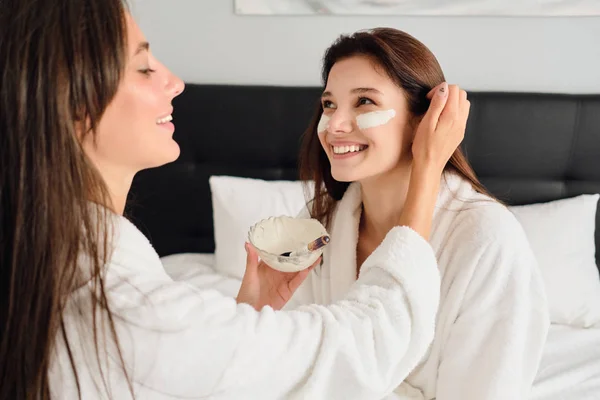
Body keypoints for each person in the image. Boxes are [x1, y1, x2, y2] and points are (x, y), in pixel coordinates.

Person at [0, 1, 469, 399]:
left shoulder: (60, 260)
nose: (175, 82)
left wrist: (248, 311)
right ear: (72, 103)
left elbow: (199, 369)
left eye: (364, 102)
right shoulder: (120, 303)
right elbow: (359, 349)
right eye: (144, 67)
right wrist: (427, 171)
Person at [286, 27, 550, 400]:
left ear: (423, 119)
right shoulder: (318, 222)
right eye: (329, 104)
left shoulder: (486, 238)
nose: (335, 125)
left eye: (364, 102)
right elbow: (287, 364)